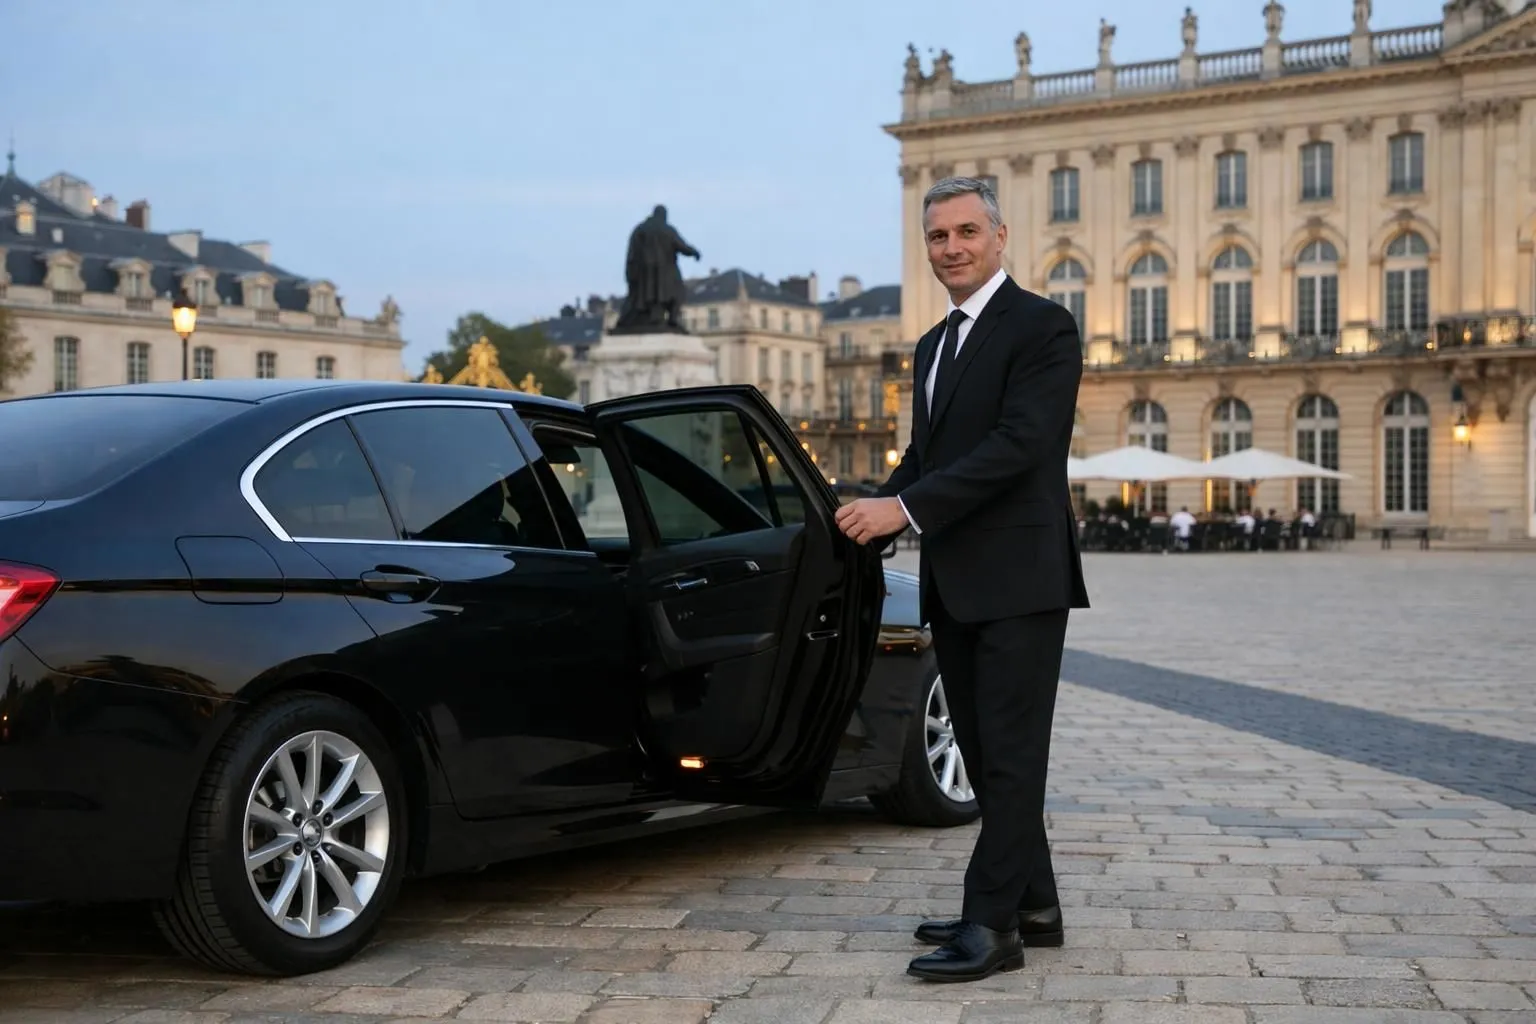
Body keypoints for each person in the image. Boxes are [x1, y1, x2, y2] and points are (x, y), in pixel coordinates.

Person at [835, 176, 1089, 984]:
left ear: (1000, 236)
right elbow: (929, 457)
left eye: (966, 232)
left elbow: (1022, 445)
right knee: (984, 756)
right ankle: (1035, 907)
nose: (952, 248)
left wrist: (904, 508)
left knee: (1011, 758)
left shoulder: (1044, 327)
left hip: (1021, 578)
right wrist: (865, 506)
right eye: (938, 236)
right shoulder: (932, 346)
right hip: (957, 579)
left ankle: (993, 926)